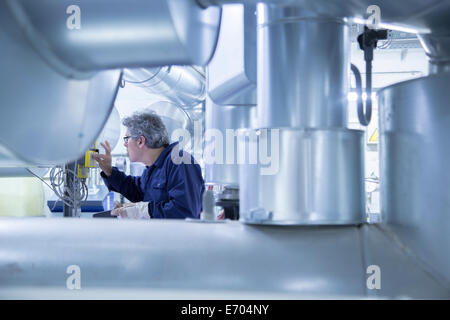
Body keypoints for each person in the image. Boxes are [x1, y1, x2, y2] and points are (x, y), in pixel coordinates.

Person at [92, 110, 205, 219]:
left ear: (140, 141)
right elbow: (138, 191)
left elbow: (186, 212)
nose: (125, 144)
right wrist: (109, 171)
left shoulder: (181, 162)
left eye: (127, 139)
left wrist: (144, 210)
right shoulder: (154, 168)